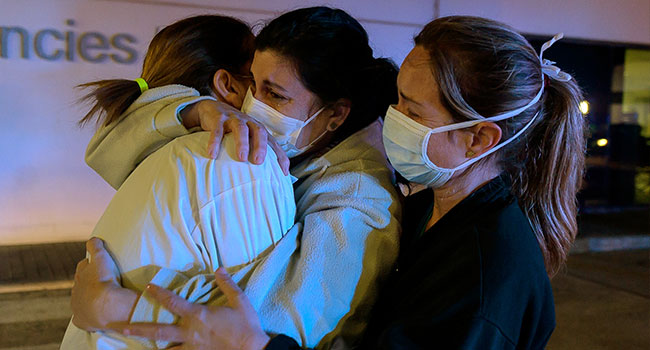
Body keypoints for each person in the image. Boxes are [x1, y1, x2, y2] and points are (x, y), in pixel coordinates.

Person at [107, 16, 587, 349]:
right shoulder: (430, 211)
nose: (390, 119)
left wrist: (115, 312)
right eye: (397, 99)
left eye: (411, 111)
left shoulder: (486, 274)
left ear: (479, 138)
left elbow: (291, 327)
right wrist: (193, 109)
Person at [69, 7, 402, 349]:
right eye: (253, 85)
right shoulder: (293, 147)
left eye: (274, 95)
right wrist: (194, 109)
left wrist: (122, 306)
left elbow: (276, 329)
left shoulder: (361, 200)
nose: (252, 103)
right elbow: (110, 148)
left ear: (335, 114)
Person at [60, 15, 297, 350]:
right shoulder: (237, 153)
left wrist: (114, 307)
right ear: (228, 85)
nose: (262, 98)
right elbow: (257, 318)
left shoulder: (157, 144)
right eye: (259, 83)